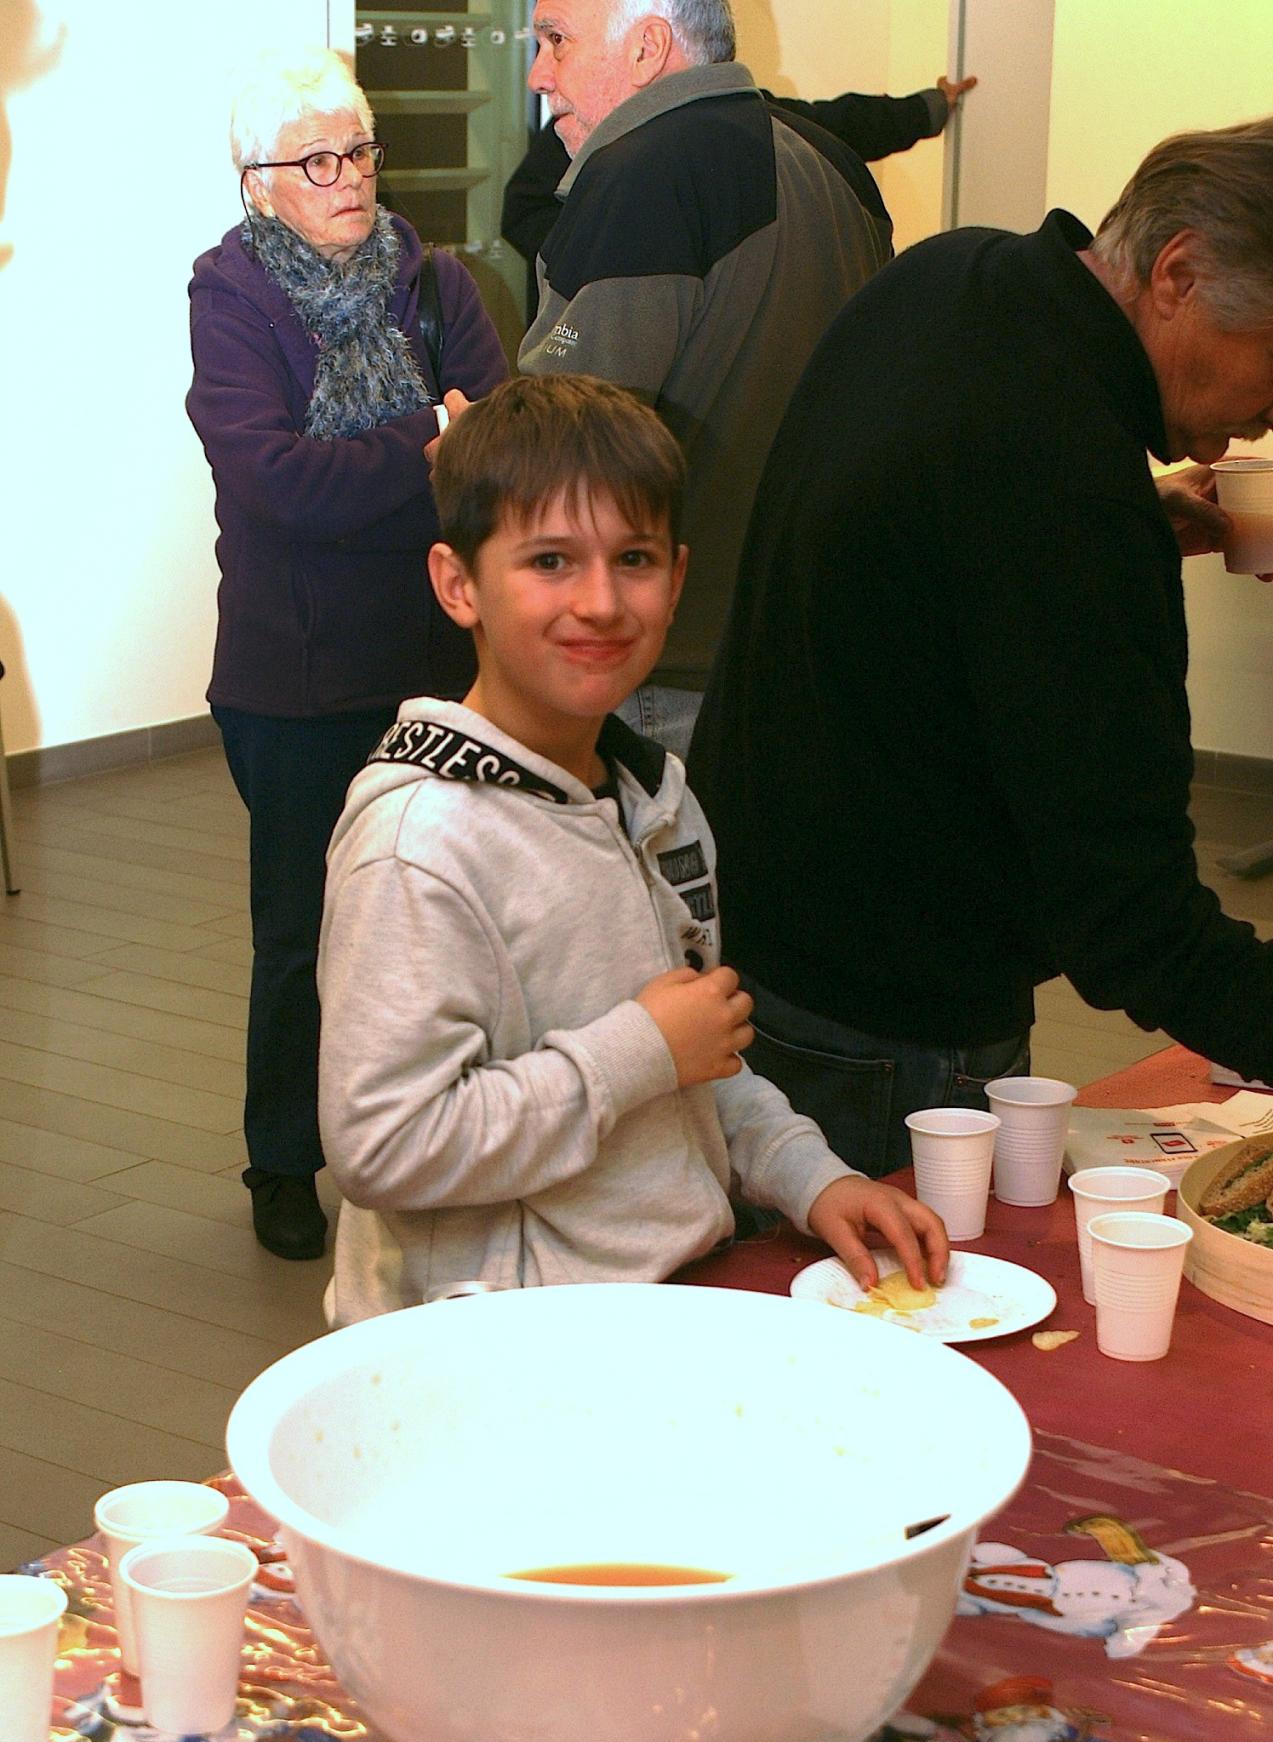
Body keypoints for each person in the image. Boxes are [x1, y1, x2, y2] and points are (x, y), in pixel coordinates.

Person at [689, 118, 1273, 1180]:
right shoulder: (1065, 488)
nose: (1271, 410)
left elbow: (929, 534)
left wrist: (1120, 525)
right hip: (888, 1022)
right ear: (1179, 273)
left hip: (758, 938)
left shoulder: (954, 275)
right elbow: (1129, 922)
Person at [315, 375, 947, 1325]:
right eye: (551, 561)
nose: (602, 602)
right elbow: (384, 1147)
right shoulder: (420, 844)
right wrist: (637, 1051)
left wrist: (810, 1176)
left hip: (667, 1296)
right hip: (495, 1351)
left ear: (678, 576)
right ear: (458, 584)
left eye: (635, 558)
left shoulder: (659, 800)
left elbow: (697, 1065)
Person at [187, 47, 507, 1261]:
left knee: (439, 918)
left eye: (359, 150)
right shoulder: (233, 301)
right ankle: (282, 1161)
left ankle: (432, 1141)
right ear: (257, 182)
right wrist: (423, 433)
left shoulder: (434, 285)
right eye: (314, 158)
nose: (347, 176)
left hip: (435, 662)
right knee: (302, 932)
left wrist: (422, 454)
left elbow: (500, 448)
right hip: (294, 680)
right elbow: (275, 488)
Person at [516, 0, 892, 758]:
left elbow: (565, 449)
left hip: (672, 675)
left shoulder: (640, 173)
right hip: (812, 654)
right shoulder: (832, 163)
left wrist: (477, 442)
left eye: (556, 41)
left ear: (647, 47)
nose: (538, 75)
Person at [501, 71, 977, 265]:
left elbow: (828, 124)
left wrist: (926, 109)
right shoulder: (603, 117)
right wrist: (607, 252)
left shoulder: (736, 112)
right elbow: (524, 209)